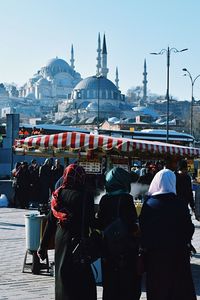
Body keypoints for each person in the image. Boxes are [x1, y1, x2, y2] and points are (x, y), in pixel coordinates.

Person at [37, 164, 97, 300]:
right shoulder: (85, 195)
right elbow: (90, 222)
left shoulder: (57, 195)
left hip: (61, 240)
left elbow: (51, 222)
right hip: (77, 242)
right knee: (82, 282)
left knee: (63, 277)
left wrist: (43, 246)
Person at [139, 168, 196, 300]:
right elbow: (189, 229)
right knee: (177, 290)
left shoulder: (149, 204)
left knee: (158, 290)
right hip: (178, 256)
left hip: (155, 258)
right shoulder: (180, 204)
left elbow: (143, 230)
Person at [96, 167, 141, 300]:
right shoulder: (126, 199)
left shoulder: (104, 199)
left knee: (110, 284)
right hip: (124, 249)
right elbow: (131, 224)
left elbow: (100, 223)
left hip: (108, 249)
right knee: (125, 284)